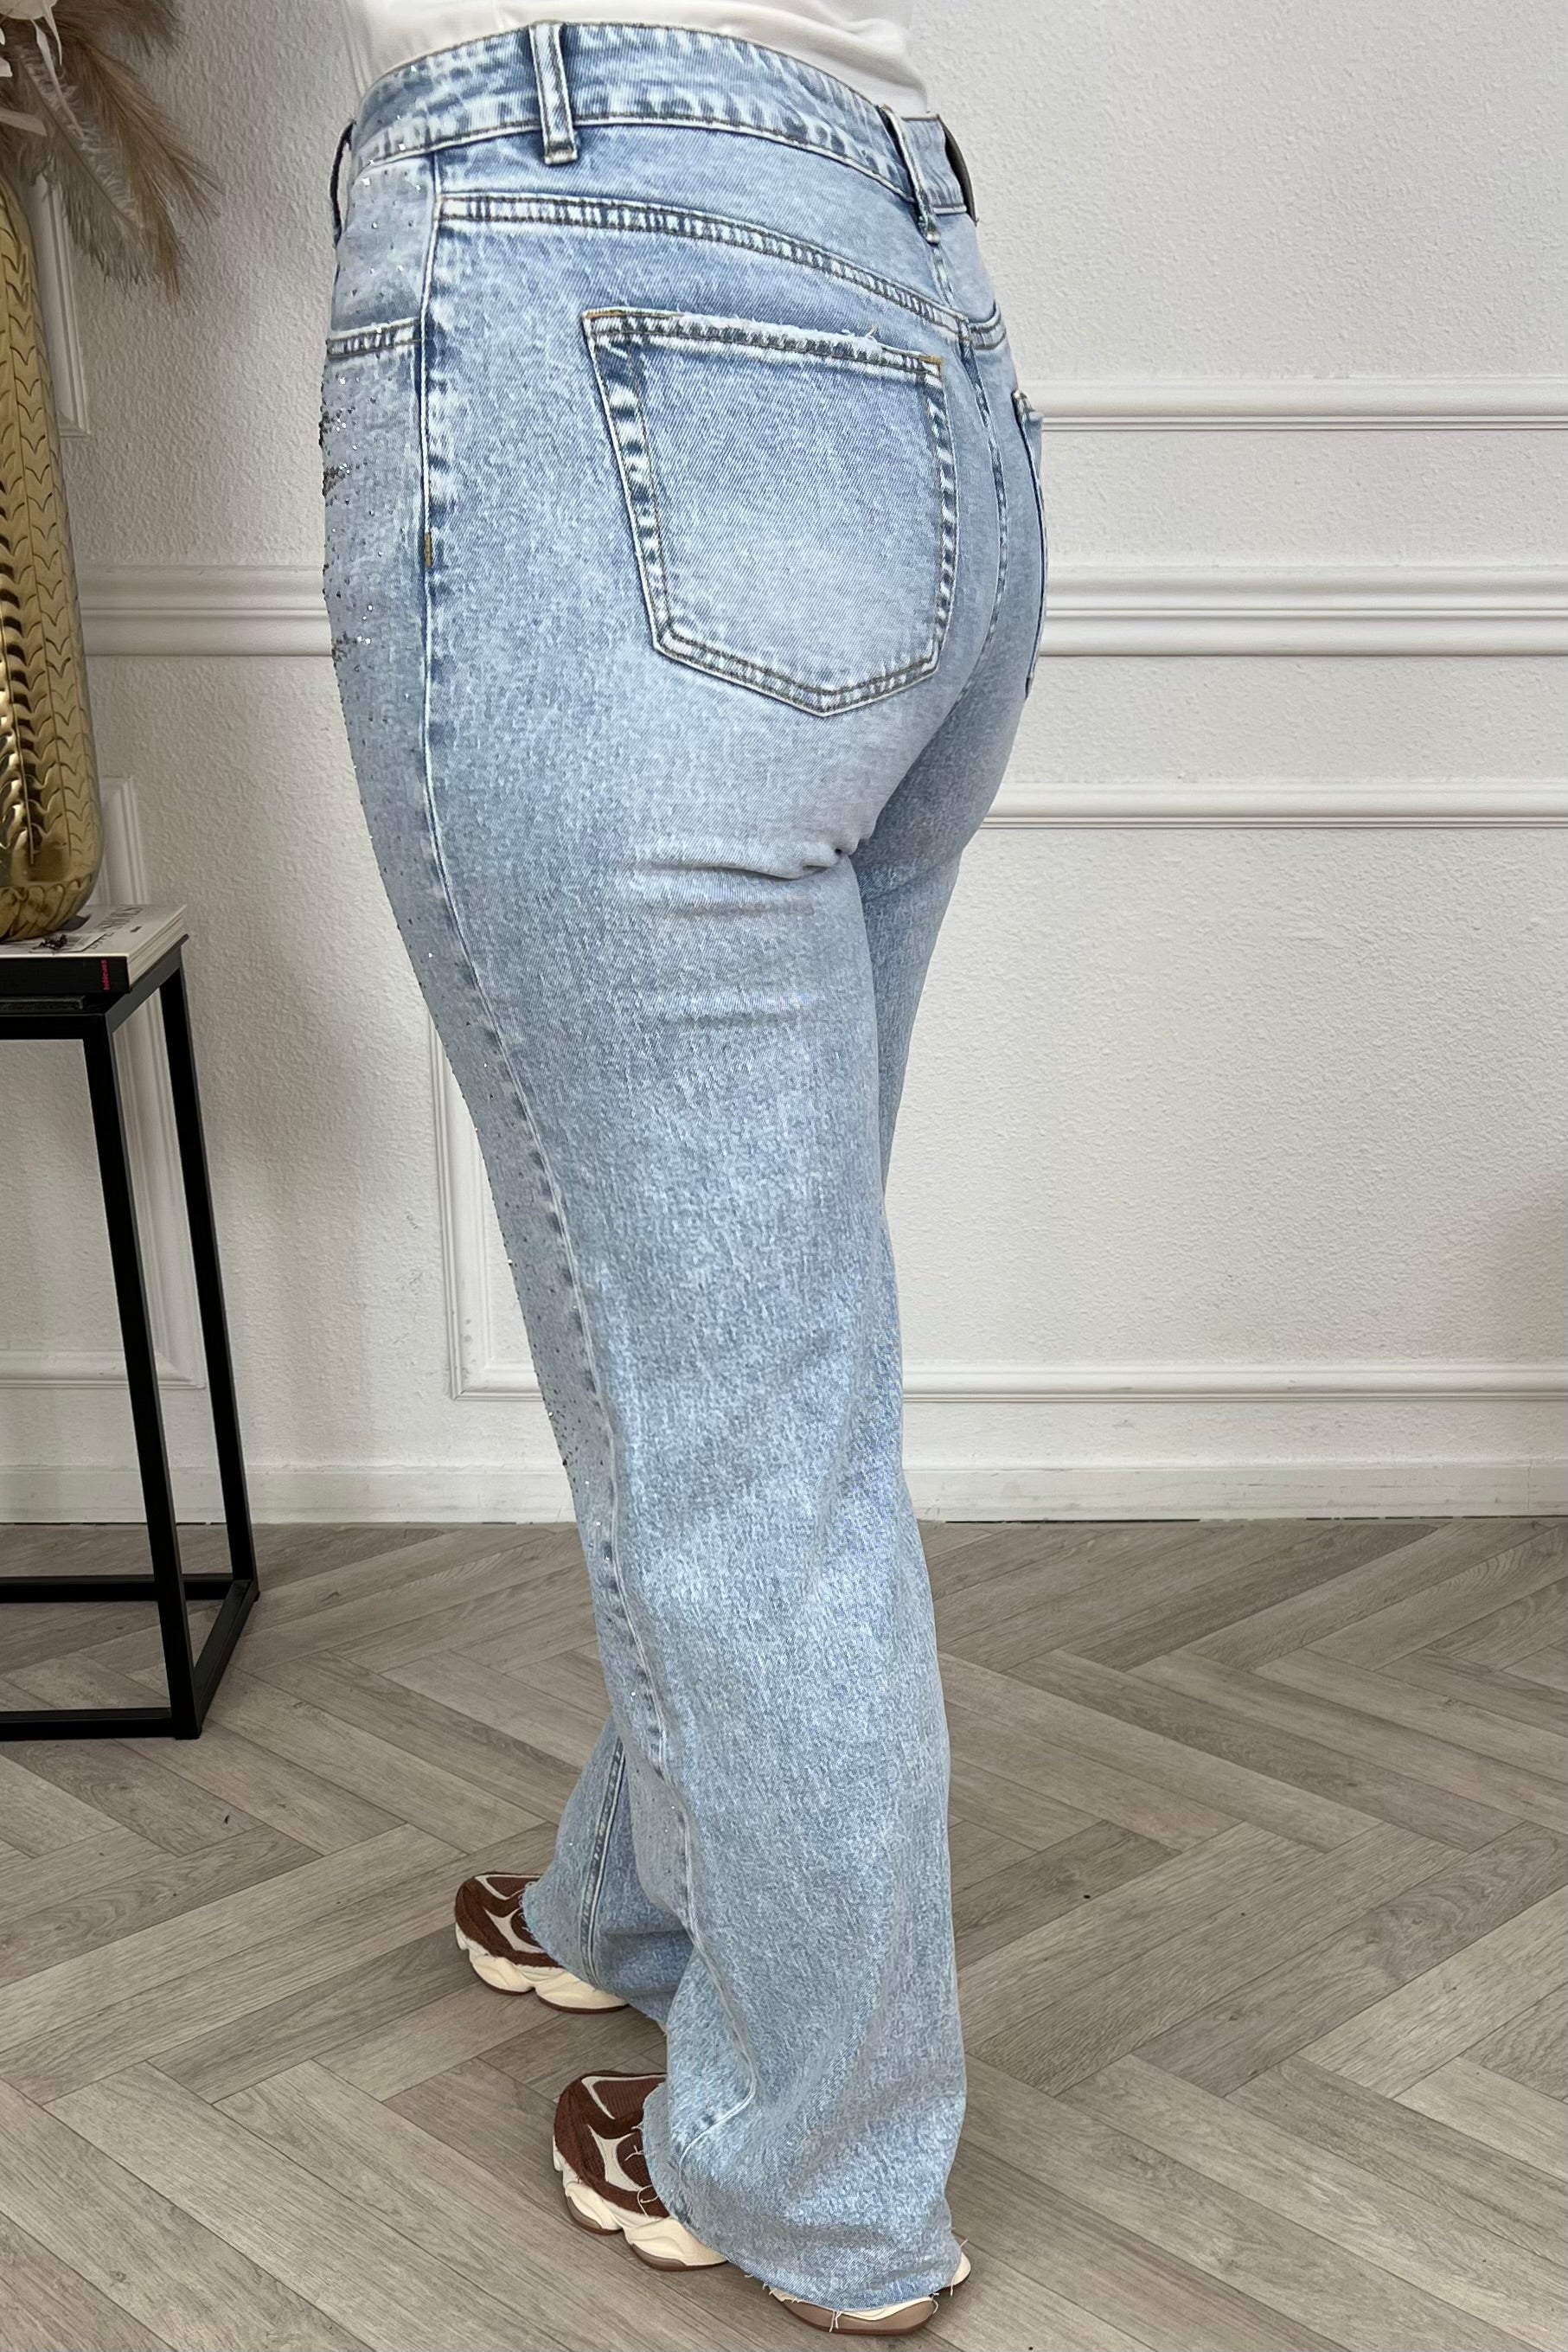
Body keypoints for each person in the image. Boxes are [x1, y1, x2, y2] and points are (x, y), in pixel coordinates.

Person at [323, 6, 1046, 2333]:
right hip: (913, 314)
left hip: (576, 277)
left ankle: (819, 2174)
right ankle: (636, 1900)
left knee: (738, 1424)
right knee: (745, 1359)